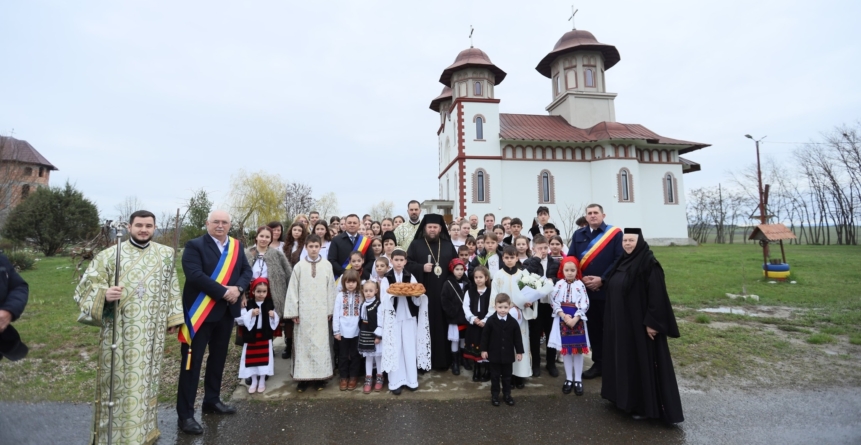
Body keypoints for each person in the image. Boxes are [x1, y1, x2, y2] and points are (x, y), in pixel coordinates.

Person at [73, 210, 182, 442]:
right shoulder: (110, 255)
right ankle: (113, 436)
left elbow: (171, 285)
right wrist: (104, 294)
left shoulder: (165, 254)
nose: (144, 230)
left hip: (151, 333)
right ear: (130, 227)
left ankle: (142, 433)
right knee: (118, 383)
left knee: (144, 383)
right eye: (139, 225)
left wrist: (173, 318)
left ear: (154, 228)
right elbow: (84, 288)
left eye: (149, 226)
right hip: (119, 331)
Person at [175, 209, 251, 435]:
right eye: (216, 222)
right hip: (199, 314)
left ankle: (212, 400)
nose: (220, 225)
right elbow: (195, 275)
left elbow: (246, 271)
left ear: (230, 225)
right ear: (207, 223)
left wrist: (238, 288)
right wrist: (224, 292)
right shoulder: (194, 246)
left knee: (218, 359)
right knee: (192, 363)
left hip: (225, 314)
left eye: (224, 222)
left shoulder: (236, 246)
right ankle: (186, 415)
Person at [602, 229, 684, 424]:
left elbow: (657, 295)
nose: (627, 244)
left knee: (638, 363)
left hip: (638, 326)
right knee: (621, 360)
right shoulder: (622, 261)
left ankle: (644, 407)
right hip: (619, 325)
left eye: (631, 240)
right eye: (625, 240)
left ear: (639, 242)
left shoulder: (648, 264)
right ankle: (620, 398)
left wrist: (652, 323)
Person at [567, 203, 623, 379]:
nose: (592, 216)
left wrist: (602, 280)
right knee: (594, 329)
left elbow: (618, 259)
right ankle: (598, 364)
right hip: (585, 292)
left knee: (610, 329)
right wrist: (580, 276)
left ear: (603, 215)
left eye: (595, 213)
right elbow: (571, 260)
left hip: (606, 291)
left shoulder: (614, 234)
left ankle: (614, 364)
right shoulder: (578, 234)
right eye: (589, 213)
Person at [488, 246, 552, 389]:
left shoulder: (523, 275)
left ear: (517, 258)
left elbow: (528, 293)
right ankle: (507, 375)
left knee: (520, 343)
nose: (509, 260)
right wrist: (498, 311)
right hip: (503, 315)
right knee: (505, 345)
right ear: (503, 258)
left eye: (512, 257)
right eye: (506, 257)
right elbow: (494, 296)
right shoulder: (498, 275)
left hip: (520, 316)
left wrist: (528, 303)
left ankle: (519, 375)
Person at [405, 213, 459, 371]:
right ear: (425, 228)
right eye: (430, 227)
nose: (433, 230)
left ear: (440, 228)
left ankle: (443, 362)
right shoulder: (416, 244)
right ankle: (423, 362)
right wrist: (421, 268)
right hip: (424, 295)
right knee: (424, 327)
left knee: (443, 327)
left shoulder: (448, 246)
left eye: (435, 227)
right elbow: (407, 265)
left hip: (444, 294)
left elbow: (455, 267)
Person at [284, 235, 336, 392]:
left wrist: (330, 310)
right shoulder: (299, 266)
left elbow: (331, 288)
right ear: (306, 247)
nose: (314, 249)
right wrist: (294, 311)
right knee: (303, 345)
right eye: (311, 246)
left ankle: (321, 378)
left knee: (321, 345)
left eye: (316, 246)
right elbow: (292, 290)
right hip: (304, 313)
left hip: (321, 312)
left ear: (321, 247)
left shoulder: (327, 265)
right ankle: (303, 379)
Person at [380, 249, 431, 394]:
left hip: (409, 316)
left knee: (409, 347)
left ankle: (411, 380)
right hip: (394, 318)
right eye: (396, 260)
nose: (398, 263)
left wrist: (418, 296)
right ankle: (395, 383)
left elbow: (415, 295)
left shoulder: (410, 276)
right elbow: (383, 299)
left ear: (405, 262)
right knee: (396, 349)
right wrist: (393, 294)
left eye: (401, 260)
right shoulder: (386, 278)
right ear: (391, 261)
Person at [244, 226, 292, 360]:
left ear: (271, 239)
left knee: (267, 325)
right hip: (251, 295)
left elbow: (288, 274)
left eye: (267, 237)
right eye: (262, 236)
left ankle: (266, 357)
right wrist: (242, 293)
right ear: (256, 236)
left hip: (270, 295)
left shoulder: (276, 254)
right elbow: (239, 273)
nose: (264, 239)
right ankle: (251, 360)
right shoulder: (247, 253)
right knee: (252, 323)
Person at [547, 257, 589, 396]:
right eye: (567, 270)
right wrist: (564, 316)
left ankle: (578, 379)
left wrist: (576, 317)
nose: (570, 273)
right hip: (562, 318)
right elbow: (554, 301)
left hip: (577, 319)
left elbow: (585, 302)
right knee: (566, 350)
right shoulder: (559, 284)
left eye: (573, 270)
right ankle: (569, 379)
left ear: (577, 271)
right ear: (562, 270)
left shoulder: (580, 285)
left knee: (577, 350)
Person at [523, 235, 560, 378]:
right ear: (533, 249)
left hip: (550, 304)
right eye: (540, 248)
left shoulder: (555, 262)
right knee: (535, 334)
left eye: (545, 248)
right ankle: (536, 363)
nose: (543, 251)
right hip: (535, 305)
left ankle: (551, 363)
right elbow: (526, 277)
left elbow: (560, 278)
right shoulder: (528, 262)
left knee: (551, 333)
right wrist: (536, 259)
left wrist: (553, 280)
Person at [480, 293, 524, 407]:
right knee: (494, 376)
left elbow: (517, 338)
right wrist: (483, 350)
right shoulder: (490, 321)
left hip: (508, 355)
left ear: (510, 307)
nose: (503, 310)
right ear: (495, 307)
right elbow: (485, 337)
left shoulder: (513, 322)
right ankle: (495, 395)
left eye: (505, 307)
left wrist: (519, 352)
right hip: (494, 355)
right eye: (500, 307)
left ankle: (507, 395)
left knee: (507, 377)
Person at [239, 278, 280, 394]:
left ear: (267, 292)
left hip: (264, 335)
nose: (261, 294)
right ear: (253, 291)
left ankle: (262, 380)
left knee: (264, 359)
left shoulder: (270, 303)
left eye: (264, 291)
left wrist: (273, 315)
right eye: (258, 291)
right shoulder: (248, 304)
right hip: (252, 336)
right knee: (252, 359)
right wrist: (250, 313)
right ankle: (253, 380)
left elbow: (276, 319)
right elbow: (240, 319)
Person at [333, 269, 363, 391]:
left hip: (356, 331)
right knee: (343, 356)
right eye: (348, 282)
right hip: (343, 332)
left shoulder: (360, 296)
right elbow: (336, 314)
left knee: (355, 355)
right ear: (343, 283)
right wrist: (336, 331)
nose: (350, 284)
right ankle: (343, 377)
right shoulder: (340, 296)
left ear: (357, 282)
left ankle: (354, 377)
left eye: (353, 282)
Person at [440, 258, 470, 376]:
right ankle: (455, 362)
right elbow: (444, 299)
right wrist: (452, 312)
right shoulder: (448, 283)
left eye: (461, 269)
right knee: (455, 339)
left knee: (463, 338)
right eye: (457, 269)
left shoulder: (467, 282)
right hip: (454, 317)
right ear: (452, 270)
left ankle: (464, 359)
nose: (459, 272)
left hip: (465, 316)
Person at [463, 266, 492, 382]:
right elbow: (465, 307)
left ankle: (487, 370)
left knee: (486, 344)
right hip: (474, 324)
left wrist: (485, 320)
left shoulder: (491, 292)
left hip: (486, 324)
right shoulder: (470, 292)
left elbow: (493, 307)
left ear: (486, 278)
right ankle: (477, 369)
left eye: (481, 277)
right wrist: (473, 319)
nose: (478, 279)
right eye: (476, 277)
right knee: (476, 345)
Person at [328, 214, 375, 281]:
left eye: (354, 223)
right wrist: (345, 273)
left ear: (359, 225)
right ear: (345, 224)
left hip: (362, 278)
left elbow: (371, 260)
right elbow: (332, 260)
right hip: (342, 278)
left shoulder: (365, 241)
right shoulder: (336, 240)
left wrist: (362, 272)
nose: (352, 225)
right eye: (349, 223)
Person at [358, 280, 384, 394]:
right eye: (366, 291)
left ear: (376, 291)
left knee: (378, 357)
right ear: (363, 292)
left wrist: (378, 335)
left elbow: (380, 321)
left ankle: (379, 377)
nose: (368, 293)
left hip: (374, 334)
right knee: (368, 357)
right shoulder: (362, 304)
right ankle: (368, 378)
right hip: (365, 333)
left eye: (371, 291)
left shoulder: (378, 304)